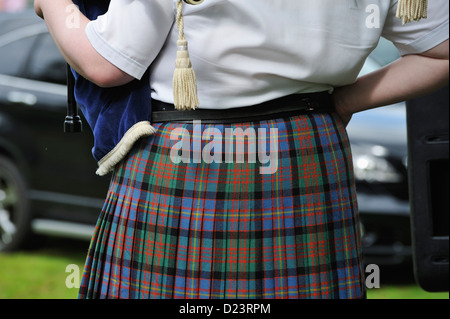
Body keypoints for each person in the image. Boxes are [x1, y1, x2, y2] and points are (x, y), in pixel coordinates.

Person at [34, 0, 449, 299]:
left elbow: (107, 64)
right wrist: (342, 102)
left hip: (187, 158)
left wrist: (52, 4)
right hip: (309, 149)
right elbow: (440, 51)